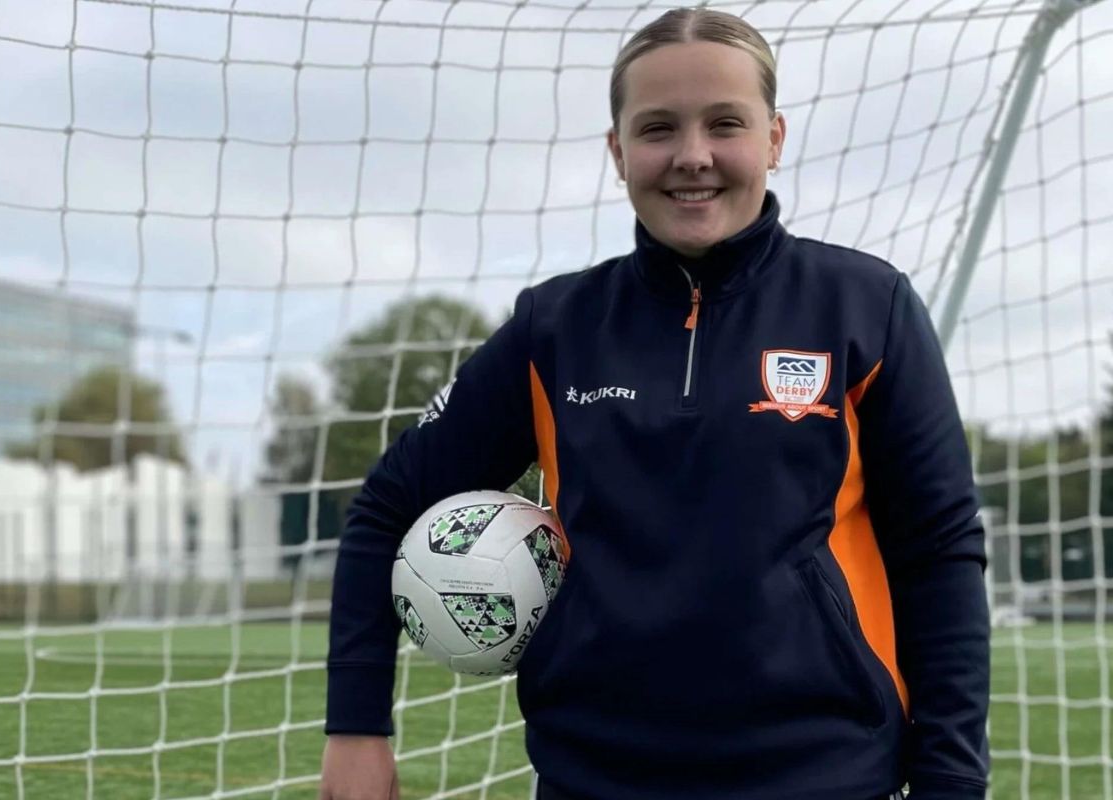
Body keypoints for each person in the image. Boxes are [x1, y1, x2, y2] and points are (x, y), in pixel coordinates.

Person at [319, 7, 989, 800]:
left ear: (773, 138)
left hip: (827, 777)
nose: (693, 157)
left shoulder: (864, 307)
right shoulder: (555, 329)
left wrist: (951, 781)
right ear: (618, 151)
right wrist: (356, 727)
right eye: (659, 128)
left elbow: (939, 551)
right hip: (593, 780)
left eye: (725, 124)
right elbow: (387, 507)